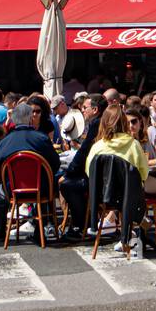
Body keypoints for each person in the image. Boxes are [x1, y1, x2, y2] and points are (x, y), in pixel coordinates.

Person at [85, 101, 150, 257]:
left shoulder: (97, 147)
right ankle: (134, 232)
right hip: (129, 198)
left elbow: (89, 172)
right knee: (132, 193)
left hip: (104, 197)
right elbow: (144, 173)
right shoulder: (133, 145)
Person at [0, 102, 61, 241]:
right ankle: (40, 229)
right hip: (41, 189)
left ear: (13, 120)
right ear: (30, 119)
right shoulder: (42, 138)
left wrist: (7, 182)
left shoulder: (3, 142)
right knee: (47, 181)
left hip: (13, 190)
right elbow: (55, 164)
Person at [57, 94, 105, 236]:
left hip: (99, 178)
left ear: (95, 109)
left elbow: (85, 152)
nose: (82, 110)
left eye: (85, 107)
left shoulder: (97, 124)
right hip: (105, 174)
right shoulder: (101, 122)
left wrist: (69, 173)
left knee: (66, 184)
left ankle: (82, 224)